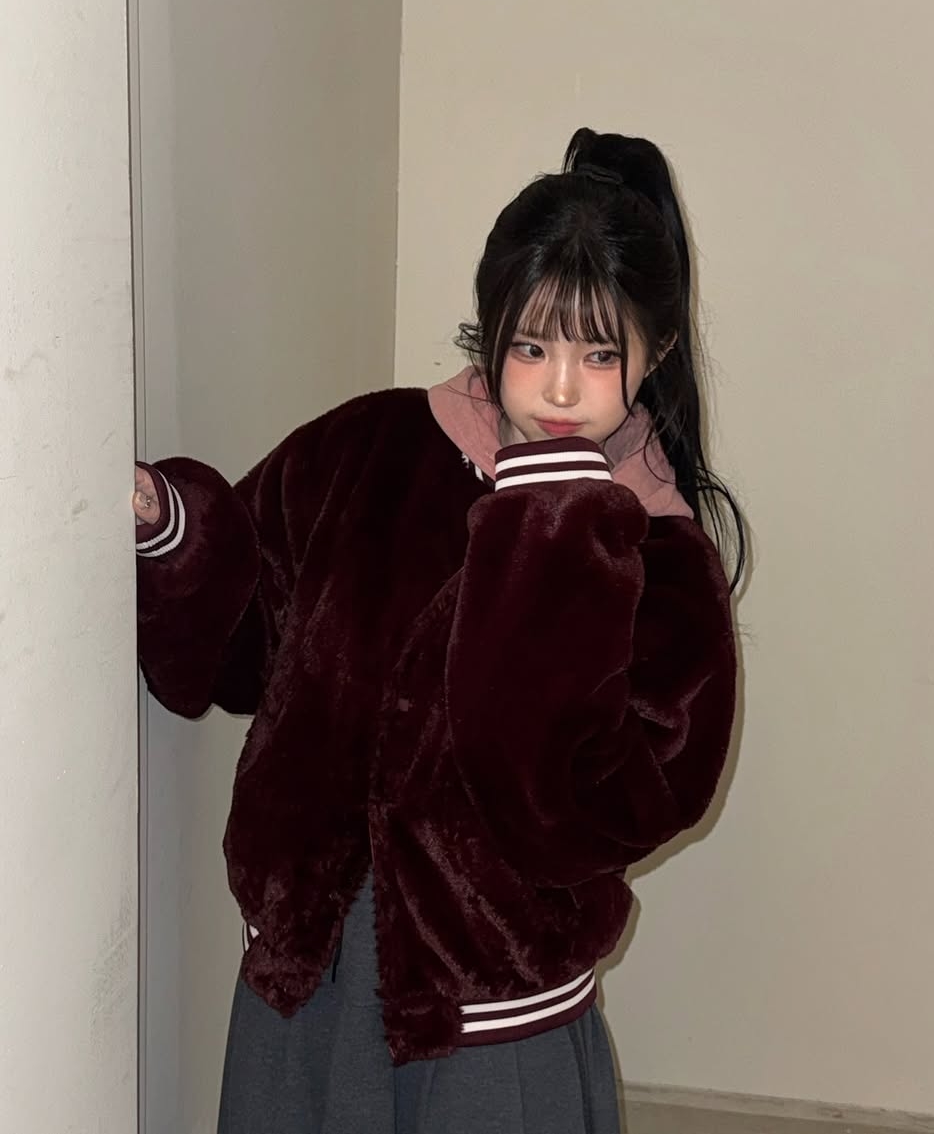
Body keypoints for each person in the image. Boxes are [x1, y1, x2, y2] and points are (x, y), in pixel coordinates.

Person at [133, 127, 744, 1134]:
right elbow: (240, 650)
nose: (559, 388)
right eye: (532, 345)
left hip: (491, 1017)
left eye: (599, 353)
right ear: (488, 326)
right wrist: (170, 526)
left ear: (656, 351)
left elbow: (572, 814)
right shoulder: (367, 447)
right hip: (306, 973)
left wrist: (551, 520)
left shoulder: (662, 556)